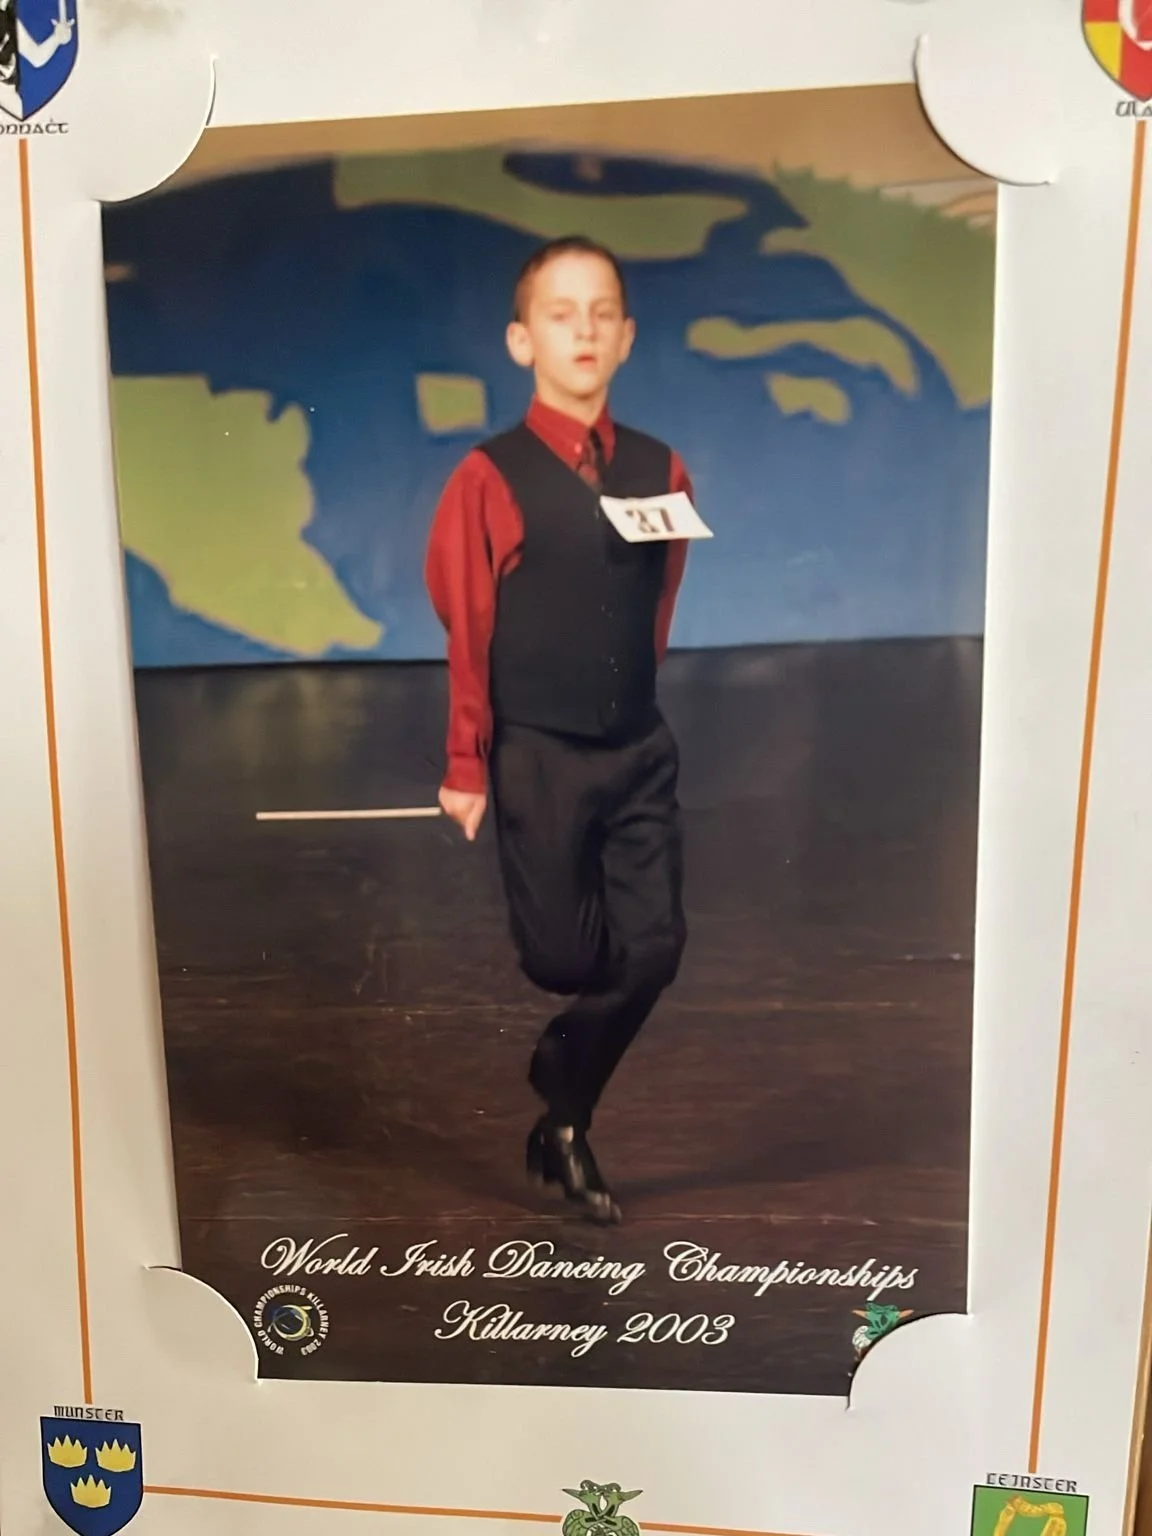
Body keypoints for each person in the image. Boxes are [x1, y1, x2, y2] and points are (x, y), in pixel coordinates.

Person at [425, 235, 695, 1225]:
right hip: (539, 755)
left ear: (625, 337)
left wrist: (625, 700)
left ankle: (564, 1111)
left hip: (638, 751)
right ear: (520, 340)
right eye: (559, 313)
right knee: (567, 965)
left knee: (657, 948)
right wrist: (468, 762)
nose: (582, 330)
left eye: (601, 313)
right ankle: (562, 1065)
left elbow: (658, 603)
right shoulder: (488, 477)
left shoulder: (664, 467)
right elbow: (467, 627)